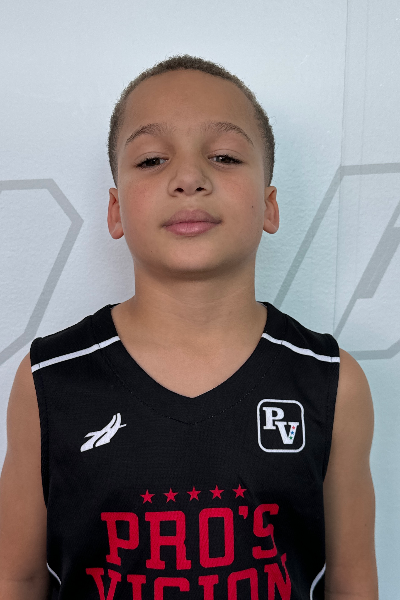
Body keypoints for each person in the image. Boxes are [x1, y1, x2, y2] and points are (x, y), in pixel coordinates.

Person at [0, 54, 378, 600]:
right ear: (115, 210)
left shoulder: (331, 382)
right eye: (152, 160)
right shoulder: (49, 380)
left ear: (270, 205)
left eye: (223, 156)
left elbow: (351, 581)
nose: (189, 178)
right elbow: (18, 577)